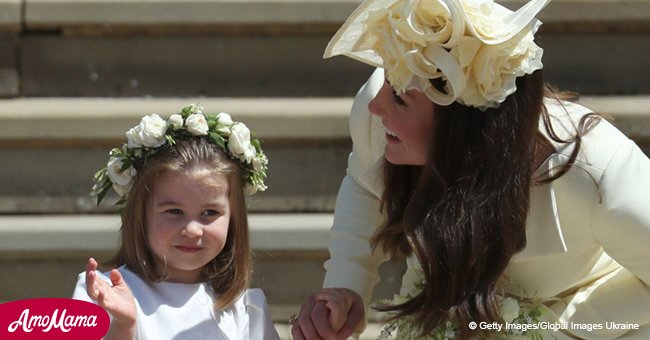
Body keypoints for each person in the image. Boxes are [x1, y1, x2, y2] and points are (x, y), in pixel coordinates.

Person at [292, 0, 650, 339]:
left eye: (399, 97)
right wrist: (346, 284)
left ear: (462, 126)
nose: (375, 106)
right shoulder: (379, 118)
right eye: (386, 82)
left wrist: (546, 330)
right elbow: (365, 185)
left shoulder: (594, 169)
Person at [72, 104, 279, 340]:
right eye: (174, 211)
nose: (192, 229)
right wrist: (124, 328)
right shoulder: (103, 293)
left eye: (210, 213)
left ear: (233, 218)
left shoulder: (246, 309)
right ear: (141, 213)